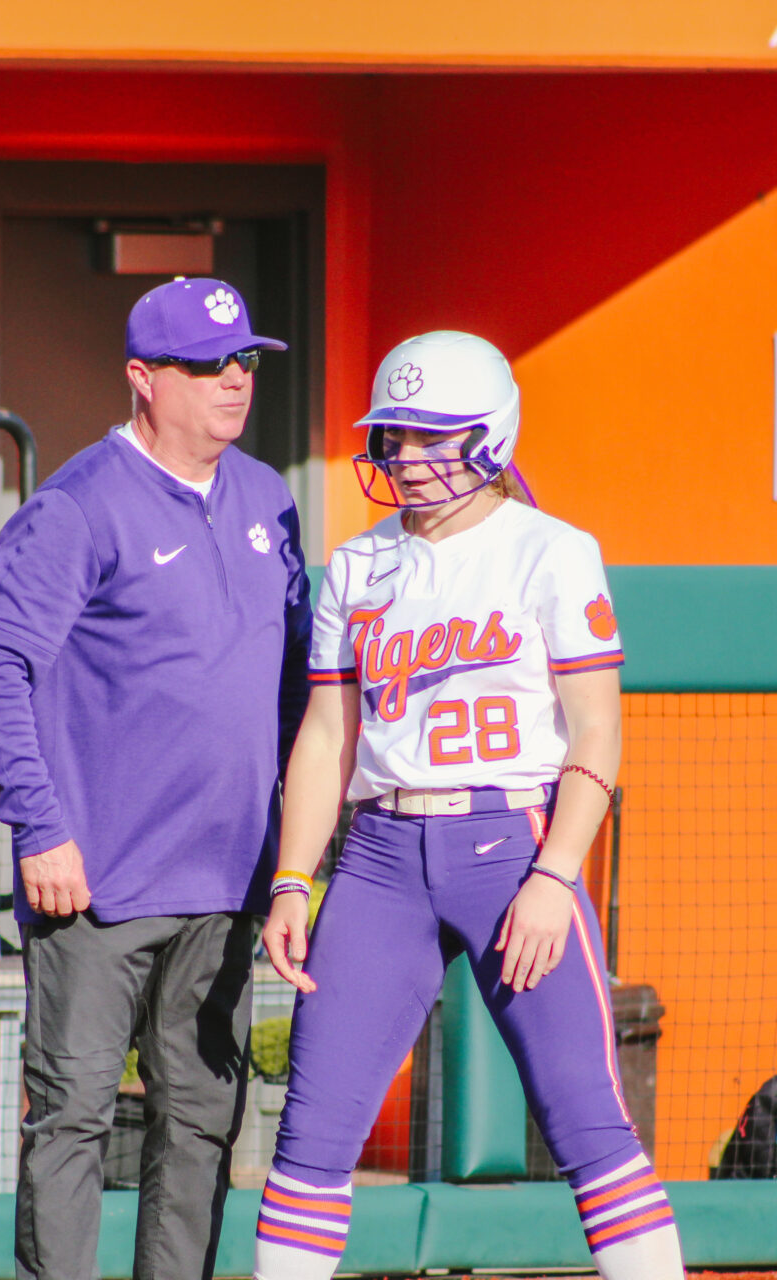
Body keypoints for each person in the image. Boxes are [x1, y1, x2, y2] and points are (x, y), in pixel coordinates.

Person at [253, 332, 684, 1280]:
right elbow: (325, 738)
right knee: (311, 1135)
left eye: (430, 436)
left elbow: (598, 732)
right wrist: (291, 880)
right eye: (393, 436)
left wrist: (554, 876)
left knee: (586, 1121)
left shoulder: (552, 550)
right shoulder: (357, 565)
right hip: (378, 854)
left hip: (511, 841)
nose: (406, 456)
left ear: (490, 436)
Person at [0, 277, 311, 1280]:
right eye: (208, 365)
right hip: (97, 881)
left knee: (201, 1120)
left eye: (246, 360)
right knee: (71, 1118)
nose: (235, 379)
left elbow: (298, 686)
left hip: (227, 879)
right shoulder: (80, 503)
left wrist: (293, 841)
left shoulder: (269, 498)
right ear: (144, 378)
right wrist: (38, 826)